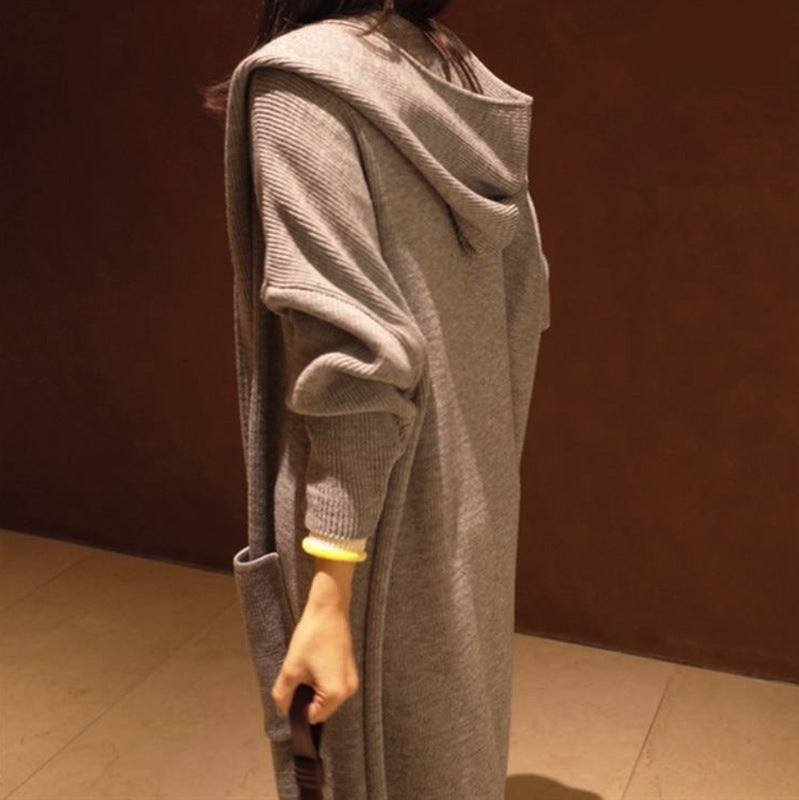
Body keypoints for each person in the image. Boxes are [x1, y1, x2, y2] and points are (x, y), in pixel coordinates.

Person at [204, 2, 551, 797]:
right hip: (468, 501)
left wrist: (330, 593)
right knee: (446, 752)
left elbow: (353, 358)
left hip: (363, 535)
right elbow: (524, 299)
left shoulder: (302, 85)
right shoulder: (446, 69)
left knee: (359, 769)